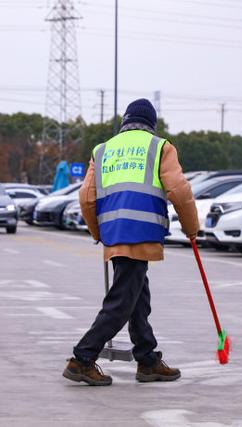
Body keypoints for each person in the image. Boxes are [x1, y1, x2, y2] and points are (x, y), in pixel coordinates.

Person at [62, 99, 199, 386]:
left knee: (137, 297)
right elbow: (179, 191)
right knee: (122, 301)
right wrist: (192, 228)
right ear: (151, 124)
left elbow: (86, 197)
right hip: (142, 232)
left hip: (115, 234)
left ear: (125, 121)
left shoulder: (102, 150)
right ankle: (82, 359)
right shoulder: (160, 147)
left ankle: (147, 360)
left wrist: (99, 232)